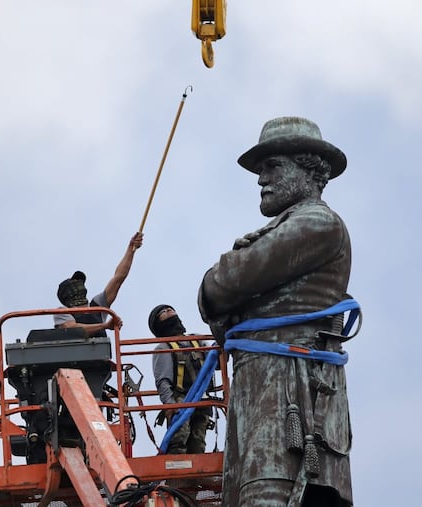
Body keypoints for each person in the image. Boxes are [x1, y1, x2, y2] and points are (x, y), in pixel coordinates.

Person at [198, 117, 355, 506]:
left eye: (273, 166)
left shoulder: (316, 222)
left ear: (309, 171)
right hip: (267, 405)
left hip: (290, 411)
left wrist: (227, 280)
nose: (260, 179)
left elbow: (221, 285)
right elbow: (220, 310)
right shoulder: (289, 227)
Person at [149, 304, 212, 455]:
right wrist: (169, 405)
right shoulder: (163, 348)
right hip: (181, 400)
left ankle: (196, 475)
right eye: (162, 313)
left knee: (198, 443)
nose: (168, 311)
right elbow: (162, 381)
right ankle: (176, 474)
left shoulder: (198, 341)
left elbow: (215, 362)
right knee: (179, 439)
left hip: (202, 399)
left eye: (170, 309)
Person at [54, 232, 143, 336]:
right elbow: (71, 329)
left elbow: (118, 278)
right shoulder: (62, 312)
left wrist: (131, 249)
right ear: (66, 293)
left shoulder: (97, 305)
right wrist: (105, 326)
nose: (79, 285)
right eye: (74, 283)